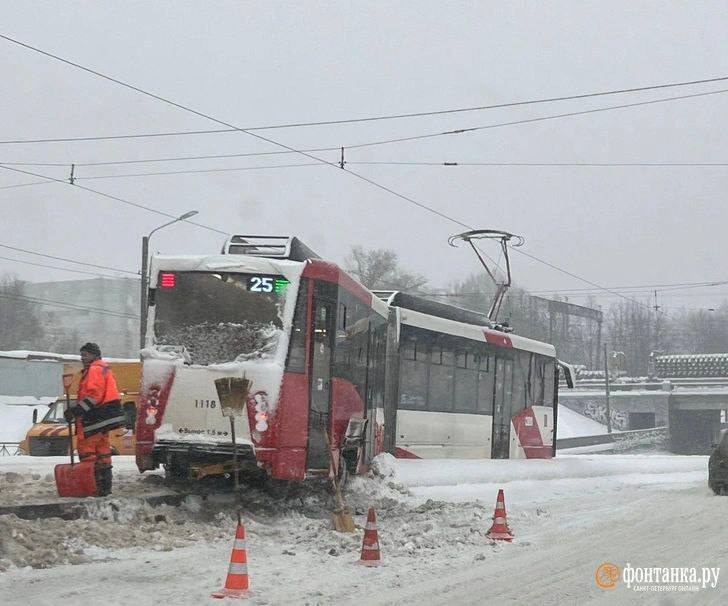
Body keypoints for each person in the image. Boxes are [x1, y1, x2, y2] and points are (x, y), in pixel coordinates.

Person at [64, 343, 127, 496]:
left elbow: (93, 396)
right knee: (103, 453)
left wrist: (76, 411)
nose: (82, 358)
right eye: (81, 355)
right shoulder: (103, 368)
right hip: (104, 419)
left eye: (85, 355)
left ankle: (91, 486)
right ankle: (104, 487)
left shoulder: (94, 369)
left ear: (94, 355)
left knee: (87, 451)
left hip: (94, 418)